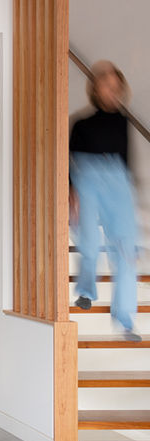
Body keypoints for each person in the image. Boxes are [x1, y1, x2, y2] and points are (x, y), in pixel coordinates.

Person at [69, 60, 140, 340]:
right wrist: (70, 192)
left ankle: (124, 319)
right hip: (87, 176)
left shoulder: (124, 122)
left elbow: (127, 162)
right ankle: (86, 291)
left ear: (121, 90)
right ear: (95, 89)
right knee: (88, 239)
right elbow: (69, 161)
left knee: (126, 249)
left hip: (118, 180)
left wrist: (129, 196)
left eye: (114, 86)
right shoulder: (81, 124)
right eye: (104, 84)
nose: (110, 90)